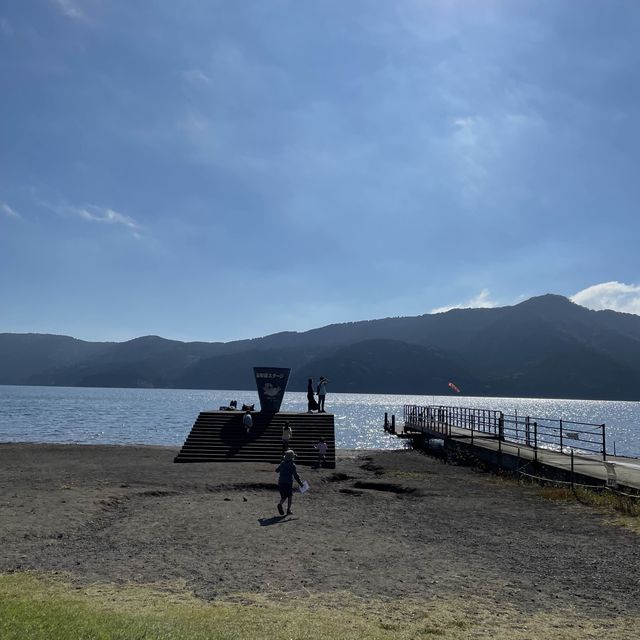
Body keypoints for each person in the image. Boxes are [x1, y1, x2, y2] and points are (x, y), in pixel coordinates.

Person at [276, 449, 304, 516]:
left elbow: (277, 470)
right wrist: (300, 483)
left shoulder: (282, 463)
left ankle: (280, 504)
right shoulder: (292, 465)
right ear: (292, 458)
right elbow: (295, 476)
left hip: (281, 482)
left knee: (283, 496)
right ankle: (288, 510)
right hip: (288, 482)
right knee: (290, 496)